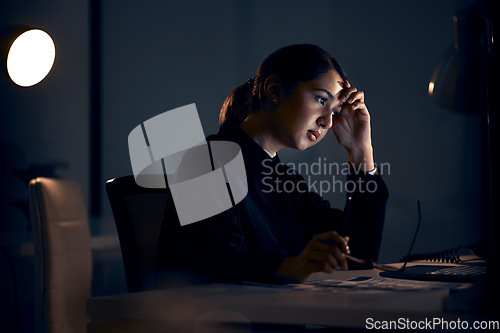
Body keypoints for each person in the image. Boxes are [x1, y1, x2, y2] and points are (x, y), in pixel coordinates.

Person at [155, 44, 388, 286]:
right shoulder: (204, 163)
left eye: (336, 111)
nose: (327, 122)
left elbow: (358, 256)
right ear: (274, 89)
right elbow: (210, 262)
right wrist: (290, 266)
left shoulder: (286, 182)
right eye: (321, 99)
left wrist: (361, 152)